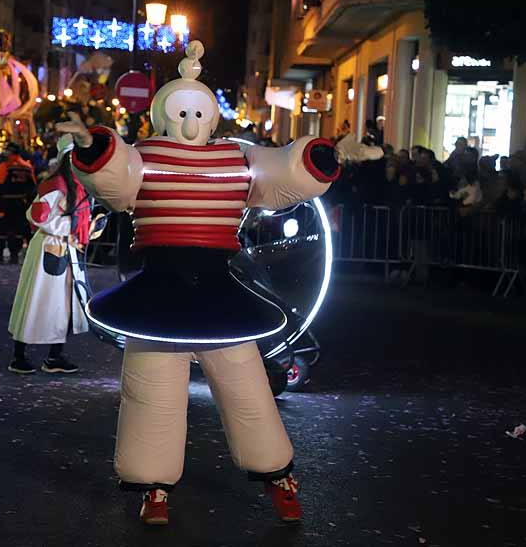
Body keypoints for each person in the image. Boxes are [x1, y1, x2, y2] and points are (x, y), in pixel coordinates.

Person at [57, 41, 382, 526]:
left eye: (197, 112)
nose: (189, 122)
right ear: (164, 117)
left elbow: (285, 172)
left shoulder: (236, 160)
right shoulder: (143, 157)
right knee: (154, 393)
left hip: (207, 292)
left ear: (210, 118)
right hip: (163, 291)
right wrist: (94, 151)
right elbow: (118, 179)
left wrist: (330, 156)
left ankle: (278, 477)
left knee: (246, 391)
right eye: (181, 111)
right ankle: (157, 490)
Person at [6, 139, 91, 374]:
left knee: (61, 306)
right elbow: (36, 217)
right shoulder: (57, 185)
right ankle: (19, 355)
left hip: (64, 248)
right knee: (36, 300)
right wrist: (70, 230)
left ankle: (55, 356)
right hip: (50, 247)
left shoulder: (75, 186)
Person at [0, 144, 36, 263]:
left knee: (1, 229)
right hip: (21, 204)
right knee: (18, 230)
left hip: (5, 203)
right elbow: (32, 187)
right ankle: (14, 255)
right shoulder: (27, 167)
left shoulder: (5, 166)